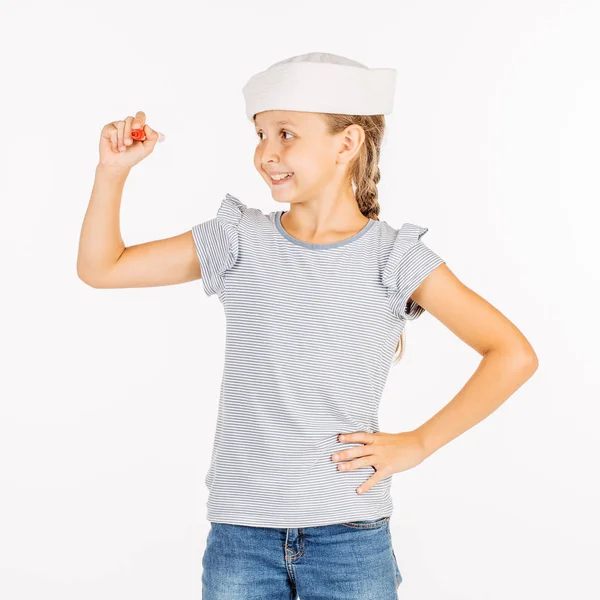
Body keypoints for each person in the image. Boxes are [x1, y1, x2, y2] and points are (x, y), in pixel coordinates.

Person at [77, 52, 539, 599]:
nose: (266, 153)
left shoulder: (394, 258)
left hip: (350, 539)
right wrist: (112, 173)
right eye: (260, 133)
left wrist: (417, 443)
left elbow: (512, 353)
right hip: (241, 537)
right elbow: (102, 268)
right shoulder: (239, 240)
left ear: (346, 145)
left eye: (286, 134)